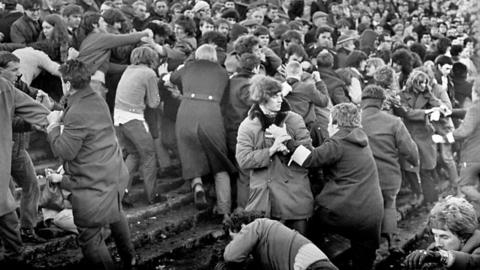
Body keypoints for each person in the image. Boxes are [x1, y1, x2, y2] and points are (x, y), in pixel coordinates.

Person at [46, 60, 135, 270]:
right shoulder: (96, 97)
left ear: (67, 84)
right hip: (113, 171)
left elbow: (65, 150)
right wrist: (59, 112)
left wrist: (52, 126)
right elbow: (82, 123)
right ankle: (130, 259)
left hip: (93, 179)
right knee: (115, 212)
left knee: (89, 235)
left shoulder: (77, 111)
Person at [288, 103, 384, 270]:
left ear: (335, 123)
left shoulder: (338, 141)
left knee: (313, 225)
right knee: (364, 262)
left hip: (346, 211)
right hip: (372, 213)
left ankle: (317, 262)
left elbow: (309, 159)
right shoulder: (360, 137)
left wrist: (287, 140)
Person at [235, 75, 313, 235]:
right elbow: (243, 159)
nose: (280, 99)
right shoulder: (248, 125)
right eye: (274, 96)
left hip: (294, 194)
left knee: (298, 246)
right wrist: (271, 150)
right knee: (267, 248)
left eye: (280, 95)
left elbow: (309, 155)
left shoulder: (294, 120)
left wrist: (289, 144)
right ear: (262, 98)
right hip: (265, 196)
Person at [170, 44, 235, 220]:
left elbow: (172, 77)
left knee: (188, 150)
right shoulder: (223, 73)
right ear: (214, 56)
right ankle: (225, 212)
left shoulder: (188, 67)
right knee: (219, 163)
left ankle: (197, 185)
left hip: (186, 111)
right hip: (211, 113)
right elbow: (226, 100)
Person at [360, 85, 418, 250]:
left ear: (362, 101)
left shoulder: (354, 120)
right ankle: (392, 241)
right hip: (389, 175)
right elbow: (410, 150)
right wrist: (415, 163)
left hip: (362, 176)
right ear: (382, 102)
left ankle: (370, 243)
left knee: (367, 207)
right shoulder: (393, 122)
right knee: (389, 204)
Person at [0, 75, 50, 266]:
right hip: (9, 153)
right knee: (7, 205)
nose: (17, 74)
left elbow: (36, 110)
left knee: (17, 194)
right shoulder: (4, 87)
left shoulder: (8, 86)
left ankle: (25, 231)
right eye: (14, 70)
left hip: (14, 151)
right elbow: (37, 112)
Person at [114, 46, 163, 206]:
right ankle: (152, 195)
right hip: (134, 118)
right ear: (152, 59)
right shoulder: (149, 73)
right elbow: (153, 103)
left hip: (118, 118)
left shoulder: (129, 69)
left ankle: (121, 193)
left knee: (133, 154)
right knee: (149, 155)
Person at [221, 211, 338, 270]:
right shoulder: (268, 233)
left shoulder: (257, 225)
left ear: (242, 227)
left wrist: (237, 239)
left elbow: (230, 256)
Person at [405, 196, 480, 270]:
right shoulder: (435, 248)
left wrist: (440, 256)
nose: (438, 243)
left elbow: (472, 262)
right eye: (435, 235)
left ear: (464, 237)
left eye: (444, 237)